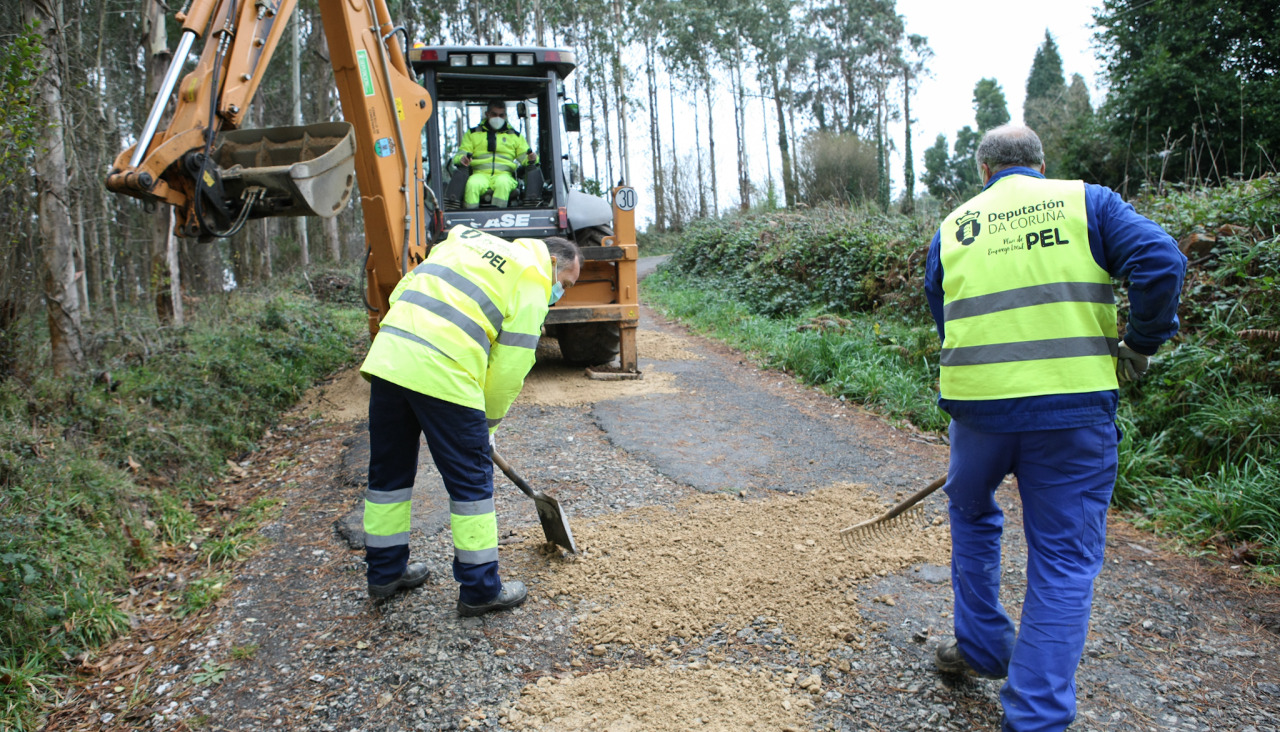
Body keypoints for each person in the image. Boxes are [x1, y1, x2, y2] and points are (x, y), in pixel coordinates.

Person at [923, 125, 1186, 731]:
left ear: (983, 171)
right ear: (1041, 165)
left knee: (969, 511)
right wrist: (1140, 343)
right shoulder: (1085, 202)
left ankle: (984, 648)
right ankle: (1036, 717)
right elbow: (1161, 260)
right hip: (1071, 416)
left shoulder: (955, 226)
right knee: (1063, 560)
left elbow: (945, 316)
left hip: (978, 415)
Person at [358, 226, 582, 615]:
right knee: (471, 485)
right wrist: (487, 428)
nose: (559, 293)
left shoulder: (466, 243)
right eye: (564, 283)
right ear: (552, 263)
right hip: (445, 370)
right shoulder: (530, 277)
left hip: (390, 357)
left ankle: (384, 573)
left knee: (387, 477)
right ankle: (480, 590)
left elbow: (402, 293)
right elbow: (509, 370)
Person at [453, 100, 538, 210]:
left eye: (501, 115)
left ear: (505, 116)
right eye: (494, 114)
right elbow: (460, 154)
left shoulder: (515, 136)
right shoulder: (473, 134)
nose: (498, 118)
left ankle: (498, 216)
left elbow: (526, 157)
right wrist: (461, 159)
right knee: (472, 184)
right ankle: (470, 217)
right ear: (487, 114)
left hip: (504, 175)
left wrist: (532, 159)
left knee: (503, 184)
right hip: (480, 174)